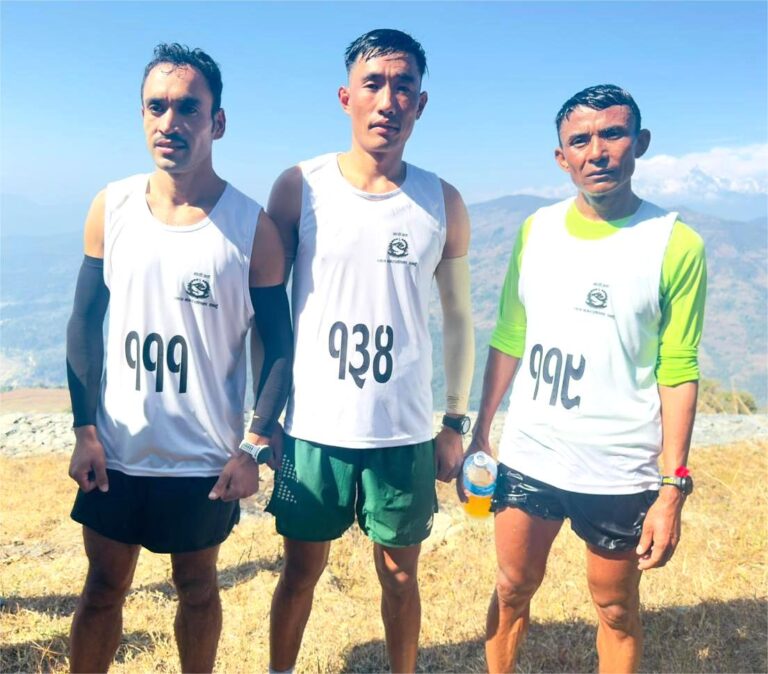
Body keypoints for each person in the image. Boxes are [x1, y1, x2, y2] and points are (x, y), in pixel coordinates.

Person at [64, 43, 292, 673]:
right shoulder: (110, 207)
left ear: (217, 122)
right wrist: (85, 430)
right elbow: (83, 322)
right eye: (156, 107)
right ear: (141, 116)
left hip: (204, 461)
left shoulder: (252, 228)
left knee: (196, 589)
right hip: (118, 450)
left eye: (188, 108)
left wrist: (254, 446)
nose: (170, 122)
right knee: (102, 589)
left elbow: (279, 345)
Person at [463, 84, 707, 673]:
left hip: (620, 464)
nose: (597, 151)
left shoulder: (675, 243)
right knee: (512, 587)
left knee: (616, 608)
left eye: (612, 134)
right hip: (532, 452)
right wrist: (480, 433)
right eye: (580, 140)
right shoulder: (536, 230)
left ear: (640, 143)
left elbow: (679, 367)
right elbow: (510, 334)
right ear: (561, 157)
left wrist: (672, 486)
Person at [264, 28, 475, 674]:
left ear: (421, 103)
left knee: (402, 577)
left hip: (403, 430)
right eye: (373, 84)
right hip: (314, 427)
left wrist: (454, 420)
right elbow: (267, 315)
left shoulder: (443, 202)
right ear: (345, 96)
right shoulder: (299, 187)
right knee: (301, 570)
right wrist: (262, 417)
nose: (388, 100)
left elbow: (458, 318)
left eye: (403, 86)